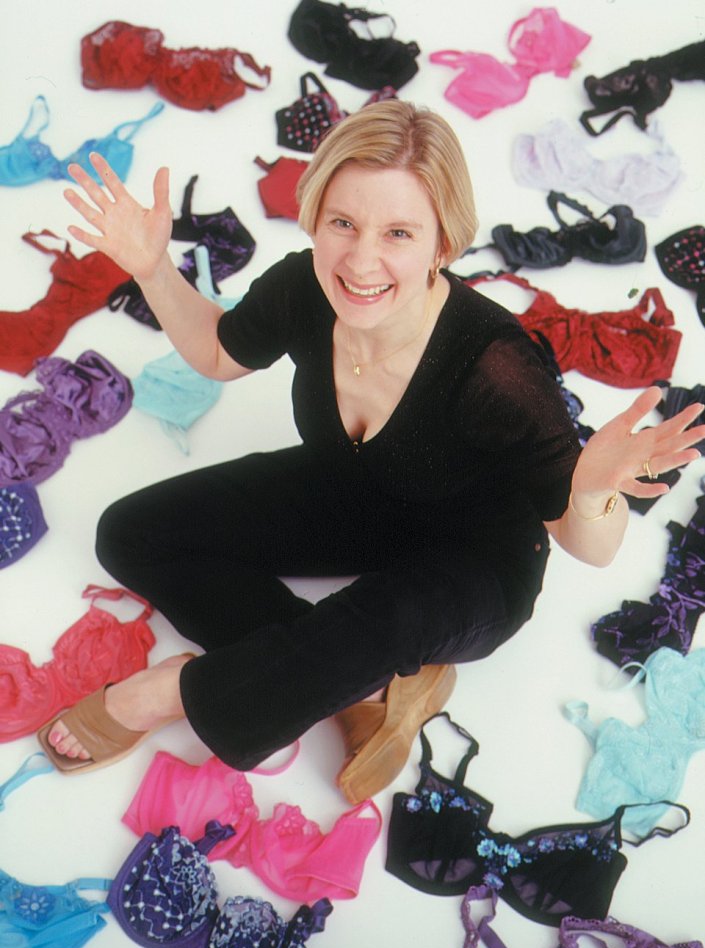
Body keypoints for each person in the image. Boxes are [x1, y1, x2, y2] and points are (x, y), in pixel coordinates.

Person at [38, 100, 705, 803]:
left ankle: (165, 694)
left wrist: (591, 493)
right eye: (343, 224)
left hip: (474, 561)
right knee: (134, 533)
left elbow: (587, 545)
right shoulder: (303, 285)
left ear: (441, 244)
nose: (360, 260)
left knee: (387, 618)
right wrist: (150, 266)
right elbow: (215, 352)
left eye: (397, 233)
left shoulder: (495, 368)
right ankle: (367, 683)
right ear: (315, 217)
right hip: (354, 496)